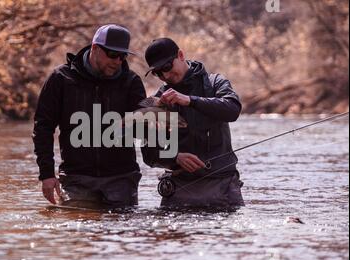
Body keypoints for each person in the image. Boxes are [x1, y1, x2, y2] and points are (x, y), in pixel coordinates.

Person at [33, 24, 146, 209]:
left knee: (121, 234)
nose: (118, 61)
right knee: (79, 230)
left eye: (122, 56)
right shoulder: (60, 79)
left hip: (122, 180)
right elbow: (43, 127)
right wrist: (46, 174)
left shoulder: (131, 82)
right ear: (95, 48)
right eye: (112, 54)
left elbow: (143, 130)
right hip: (76, 179)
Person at [141, 38, 244, 210]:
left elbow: (233, 110)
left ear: (180, 55)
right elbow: (149, 155)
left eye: (167, 67)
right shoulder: (158, 101)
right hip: (179, 187)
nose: (165, 76)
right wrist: (175, 157)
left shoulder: (215, 83)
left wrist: (190, 101)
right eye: (158, 73)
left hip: (222, 185)